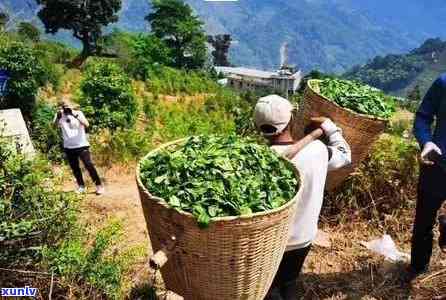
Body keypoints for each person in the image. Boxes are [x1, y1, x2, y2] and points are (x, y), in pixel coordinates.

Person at [254, 95, 351, 300]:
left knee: (267, 287)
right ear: (291, 120)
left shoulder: (257, 161)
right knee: (288, 281)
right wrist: (330, 128)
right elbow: (345, 155)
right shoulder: (317, 151)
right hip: (302, 239)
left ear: (259, 127)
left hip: (269, 243)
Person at [411, 73, 446, 278]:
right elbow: (423, 117)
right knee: (423, 223)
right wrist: (426, 141)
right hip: (436, 165)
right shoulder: (443, 83)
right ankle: (417, 268)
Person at [54, 99, 104, 195]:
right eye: (64, 106)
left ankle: (99, 186)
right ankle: (81, 186)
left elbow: (87, 124)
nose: (65, 108)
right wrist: (57, 118)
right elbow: (53, 127)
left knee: (89, 165)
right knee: (75, 168)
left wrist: (74, 114)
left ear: (72, 106)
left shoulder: (78, 113)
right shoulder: (59, 115)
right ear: (61, 107)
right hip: (68, 146)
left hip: (81, 145)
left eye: (67, 106)